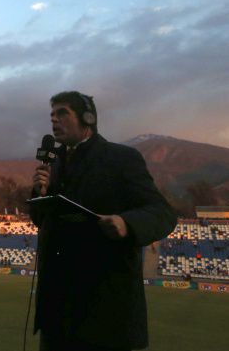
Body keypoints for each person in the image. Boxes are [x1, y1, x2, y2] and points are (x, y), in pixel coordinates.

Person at [30, 91, 176, 350]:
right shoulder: (55, 164)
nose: (54, 120)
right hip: (57, 314)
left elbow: (162, 212)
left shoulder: (121, 158)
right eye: (52, 115)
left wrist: (126, 222)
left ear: (88, 118)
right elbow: (43, 220)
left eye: (62, 113)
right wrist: (38, 194)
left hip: (104, 312)